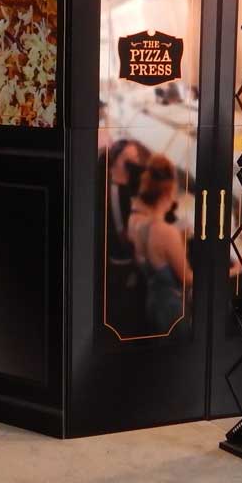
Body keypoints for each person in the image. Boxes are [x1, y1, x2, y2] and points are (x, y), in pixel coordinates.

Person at [128, 154, 192, 335]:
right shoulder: (167, 232)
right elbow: (188, 278)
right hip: (172, 311)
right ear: (167, 193)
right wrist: (230, 272)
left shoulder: (137, 222)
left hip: (153, 304)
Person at [102, 137, 149, 337]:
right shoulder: (114, 190)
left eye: (136, 158)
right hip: (122, 262)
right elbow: (122, 232)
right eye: (129, 159)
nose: (134, 163)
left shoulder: (126, 186)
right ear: (117, 160)